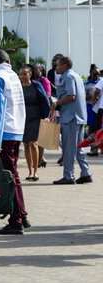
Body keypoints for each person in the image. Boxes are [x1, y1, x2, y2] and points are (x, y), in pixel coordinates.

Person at [0, 50, 29, 235]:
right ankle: (22, 214)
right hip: (16, 129)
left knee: (8, 177)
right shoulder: (12, 76)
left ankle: (16, 220)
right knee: (13, 175)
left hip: (5, 132)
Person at [52, 55, 93, 185]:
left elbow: (71, 95)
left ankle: (69, 176)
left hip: (71, 117)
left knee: (69, 148)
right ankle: (85, 173)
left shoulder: (68, 76)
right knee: (77, 147)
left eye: (58, 65)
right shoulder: (75, 75)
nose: (56, 67)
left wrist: (57, 103)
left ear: (65, 65)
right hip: (78, 117)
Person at [19, 64, 49, 180]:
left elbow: (44, 100)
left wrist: (45, 116)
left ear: (30, 74)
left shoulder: (36, 85)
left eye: (24, 74)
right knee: (26, 144)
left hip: (35, 117)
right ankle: (30, 171)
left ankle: (35, 171)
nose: (22, 76)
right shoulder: (19, 87)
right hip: (23, 118)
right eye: (20, 74)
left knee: (33, 143)